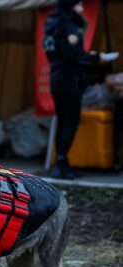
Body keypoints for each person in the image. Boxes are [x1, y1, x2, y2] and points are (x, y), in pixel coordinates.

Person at [44, 0, 114, 179]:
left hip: (57, 78)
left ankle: (62, 162)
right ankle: (60, 163)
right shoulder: (68, 26)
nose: (82, 9)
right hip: (68, 80)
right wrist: (97, 58)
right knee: (70, 122)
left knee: (63, 122)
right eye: (78, 5)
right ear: (70, 6)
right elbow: (73, 55)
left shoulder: (52, 24)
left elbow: (56, 52)